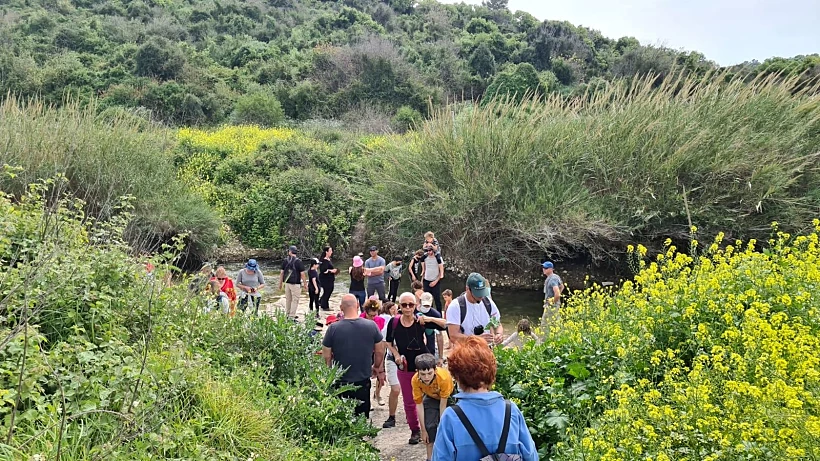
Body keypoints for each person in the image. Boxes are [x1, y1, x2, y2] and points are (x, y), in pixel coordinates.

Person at [432, 336, 537, 461]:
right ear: (492, 372)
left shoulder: (451, 416)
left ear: (457, 377)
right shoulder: (511, 410)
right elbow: (531, 456)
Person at [384, 292, 448, 444]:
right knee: (409, 401)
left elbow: (446, 324)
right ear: (399, 306)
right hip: (405, 367)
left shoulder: (421, 321)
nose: (407, 308)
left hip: (425, 366)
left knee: (434, 396)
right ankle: (415, 431)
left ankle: (436, 428)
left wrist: (429, 318)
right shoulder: (394, 322)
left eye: (411, 305)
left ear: (416, 306)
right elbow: (388, 342)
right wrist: (396, 354)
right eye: (404, 305)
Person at [322, 294, 386, 417]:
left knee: (342, 416)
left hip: (341, 380)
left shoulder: (333, 328)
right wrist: (377, 367)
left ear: (341, 308)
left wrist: (329, 373)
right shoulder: (371, 326)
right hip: (362, 379)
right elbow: (379, 351)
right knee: (361, 417)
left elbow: (327, 356)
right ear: (357, 306)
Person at [412, 353, 454, 461]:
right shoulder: (415, 380)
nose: (426, 377)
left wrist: (441, 427)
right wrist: (423, 430)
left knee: (449, 428)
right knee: (430, 427)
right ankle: (429, 458)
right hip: (431, 397)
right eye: (423, 374)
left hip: (449, 398)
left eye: (429, 373)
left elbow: (443, 406)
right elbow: (419, 405)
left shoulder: (443, 378)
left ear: (435, 370)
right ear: (417, 372)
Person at [445, 273, 504, 346]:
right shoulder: (455, 306)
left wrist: (499, 334)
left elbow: (497, 323)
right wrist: (476, 339)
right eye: (477, 294)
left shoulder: (488, 303)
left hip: (486, 350)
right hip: (465, 352)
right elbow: (453, 336)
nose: (481, 297)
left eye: (482, 293)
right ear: (467, 289)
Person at [279, 245, 305, 320]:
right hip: (296, 284)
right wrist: (305, 284)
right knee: (295, 300)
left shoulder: (285, 260)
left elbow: (281, 273)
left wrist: (280, 284)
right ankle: (292, 316)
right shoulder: (298, 261)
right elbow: (302, 274)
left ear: (290, 252)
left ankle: (287, 314)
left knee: (288, 299)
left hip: (287, 283)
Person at [419, 292, 445, 362]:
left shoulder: (435, 314)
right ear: (420, 301)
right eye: (424, 305)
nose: (426, 307)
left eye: (428, 305)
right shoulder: (413, 311)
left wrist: (440, 357)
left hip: (430, 350)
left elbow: (439, 336)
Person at [421, 244, 444, 312]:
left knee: (437, 299)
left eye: (430, 250)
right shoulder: (425, 258)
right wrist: (422, 281)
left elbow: (441, 271)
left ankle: (439, 314)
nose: (429, 252)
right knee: (427, 299)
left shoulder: (438, 258)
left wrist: (436, 281)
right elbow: (424, 270)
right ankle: (428, 313)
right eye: (427, 251)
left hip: (435, 281)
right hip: (426, 280)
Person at [541, 261, 564, 328]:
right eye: (543, 267)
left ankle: (545, 338)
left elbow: (557, 293)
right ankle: (560, 336)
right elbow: (562, 286)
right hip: (552, 304)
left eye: (546, 268)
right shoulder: (555, 277)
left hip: (551, 305)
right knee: (555, 322)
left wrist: (552, 301)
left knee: (544, 324)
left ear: (551, 269)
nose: (544, 269)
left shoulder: (553, 279)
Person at [318, 246, 338, 311]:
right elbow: (324, 270)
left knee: (328, 291)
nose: (331, 252)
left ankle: (321, 302)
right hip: (325, 279)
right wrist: (332, 271)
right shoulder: (324, 260)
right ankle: (325, 306)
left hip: (329, 278)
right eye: (330, 251)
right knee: (328, 291)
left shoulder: (328, 259)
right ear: (326, 252)